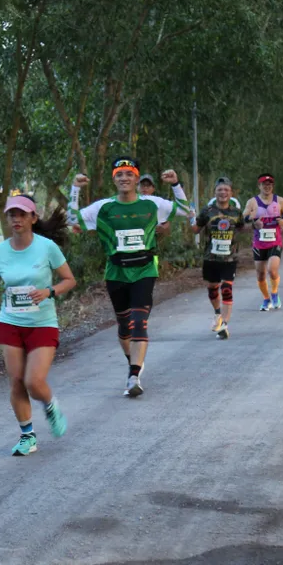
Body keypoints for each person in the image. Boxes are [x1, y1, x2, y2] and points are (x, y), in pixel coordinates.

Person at [68, 157, 190, 398]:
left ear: (136, 178)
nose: (124, 178)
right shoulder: (102, 208)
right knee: (124, 325)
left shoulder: (152, 204)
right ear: (114, 180)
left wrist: (176, 185)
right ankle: (132, 361)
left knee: (138, 321)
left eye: (129, 174)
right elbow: (72, 221)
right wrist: (74, 190)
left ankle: (134, 375)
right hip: (116, 272)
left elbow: (186, 211)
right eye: (119, 174)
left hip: (144, 269)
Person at [0, 195, 77, 456]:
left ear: (33, 218)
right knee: (17, 381)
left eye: (22, 214)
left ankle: (50, 405)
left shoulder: (46, 248)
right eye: (12, 215)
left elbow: (69, 280)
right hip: (10, 322)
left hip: (42, 323)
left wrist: (49, 291)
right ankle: (27, 436)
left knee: (34, 381)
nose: (16, 219)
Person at [192, 177, 244, 339]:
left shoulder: (236, 212)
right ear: (215, 192)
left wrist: (255, 226)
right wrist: (190, 217)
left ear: (231, 193)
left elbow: (242, 229)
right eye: (220, 190)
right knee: (213, 288)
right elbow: (196, 230)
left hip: (229, 258)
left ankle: (224, 324)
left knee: (227, 289)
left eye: (226, 190)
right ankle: (217, 313)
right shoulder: (207, 211)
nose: (223, 193)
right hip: (211, 258)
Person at [243, 173, 283, 311]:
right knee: (260, 274)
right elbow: (244, 217)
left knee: (272, 270)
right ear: (259, 186)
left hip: (275, 241)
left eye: (269, 184)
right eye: (264, 184)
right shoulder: (252, 202)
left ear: (272, 186)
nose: (267, 187)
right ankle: (266, 298)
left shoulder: (279, 200)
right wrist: (253, 222)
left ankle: (274, 293)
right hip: (259, 242)